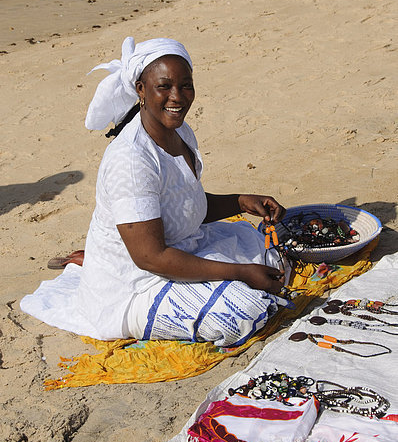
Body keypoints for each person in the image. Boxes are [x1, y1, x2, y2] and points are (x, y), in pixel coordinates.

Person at [21, 37, 287, 347]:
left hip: (177, 249)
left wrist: (242, 201)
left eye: (186, 86)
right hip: (136, 283)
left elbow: (185, 204)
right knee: (247, 310)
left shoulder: (178, 132)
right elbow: (151, 257)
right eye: (164, 86)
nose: (178, 97)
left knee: (276, 257)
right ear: (141, 90)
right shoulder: (131, 159)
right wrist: (240, 272)